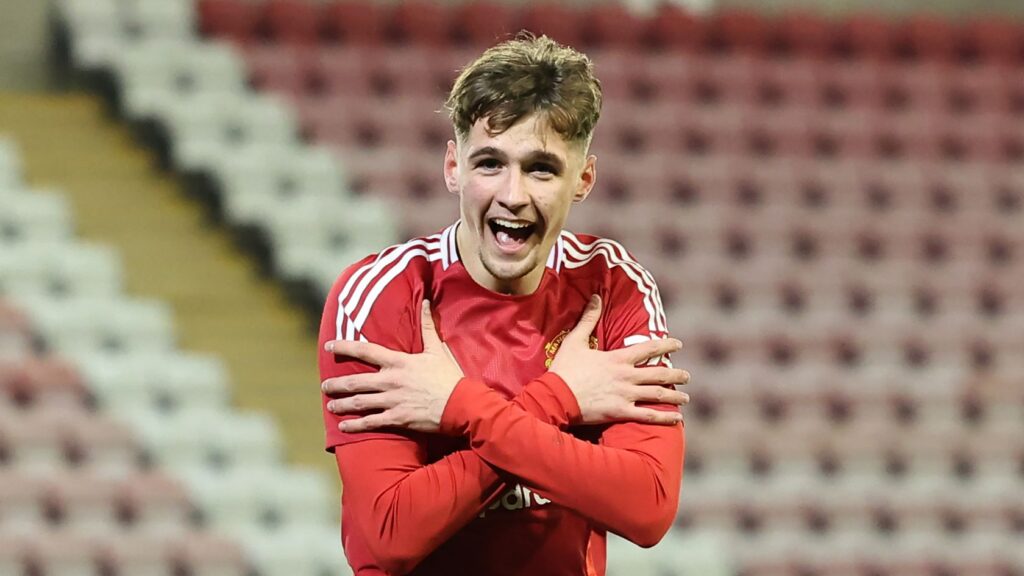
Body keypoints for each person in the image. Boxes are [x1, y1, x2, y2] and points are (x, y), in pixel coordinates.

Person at [318, 34, 689, 576]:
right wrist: (560, 397)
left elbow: (648, 506)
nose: (513, 195)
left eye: (541, 169)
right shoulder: (384, 293)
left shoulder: (614, 287)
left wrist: (458, 406)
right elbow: (389, 536)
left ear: (583, 179)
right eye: (490, 163)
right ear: (453, 167)